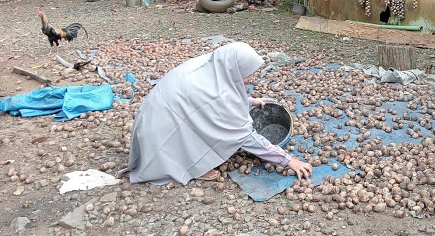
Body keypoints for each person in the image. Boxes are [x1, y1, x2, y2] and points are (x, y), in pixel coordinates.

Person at [126, 41, 312, 185]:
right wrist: (288, 161)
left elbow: (217, 101)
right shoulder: (217, 95)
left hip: (156, 115)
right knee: (210, 139)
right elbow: (246, 136)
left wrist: (251, 102)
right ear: (233, 69)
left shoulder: (213, 65)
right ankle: (190, 166)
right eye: (248, 73)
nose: (251, 78)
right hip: (160, 133)